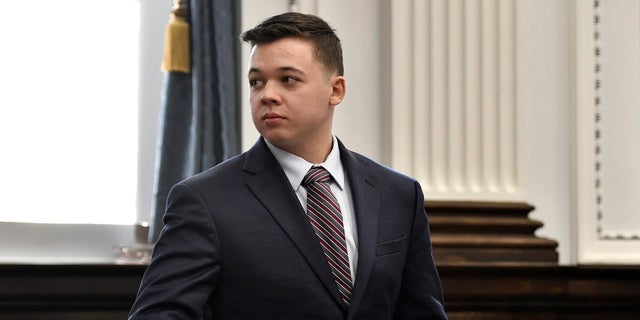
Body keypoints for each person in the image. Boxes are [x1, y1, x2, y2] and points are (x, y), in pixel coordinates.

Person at [129, 12, 447, 320]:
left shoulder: (399, 194)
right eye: (256, 82)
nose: (268, 95)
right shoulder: (204, 200)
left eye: (288, 80)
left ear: (336, 91)